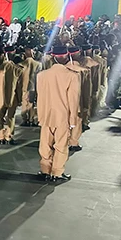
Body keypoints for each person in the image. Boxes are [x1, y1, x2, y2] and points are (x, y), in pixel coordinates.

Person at [36, 46, 80, 182]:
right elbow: (73, 100)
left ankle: (45, 170)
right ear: (67, 57)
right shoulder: (72, 76)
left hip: (45, 114)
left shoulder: (41, 75)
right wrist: (73, 120)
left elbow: (40, 96)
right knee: (61, 145)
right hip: (62, 116)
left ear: (53, 57)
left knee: (45, 143)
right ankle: (57, 172)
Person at [0, 46, 25, 145]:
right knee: (10, 117)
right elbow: (20, 87)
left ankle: (0, 136)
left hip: (0, 97)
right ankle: (8, 136)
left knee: (0, 116)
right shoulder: (18, 69)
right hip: (13, 97)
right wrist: (20, 99)